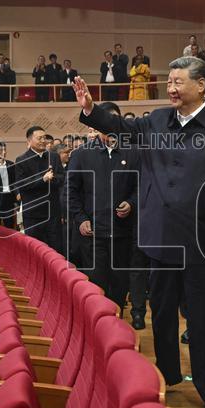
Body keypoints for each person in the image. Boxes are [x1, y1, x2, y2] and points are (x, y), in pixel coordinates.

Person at [73, 56, 205, 408]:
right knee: (163, 316)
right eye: (168, 82)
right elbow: (121, 126)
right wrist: (91, 109)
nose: (170, 88)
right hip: (161, 238)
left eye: (178, 82)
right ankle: (168, 374)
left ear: (200, 85)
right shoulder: (155, 120)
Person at [66, 102, 138, 312]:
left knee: (119, 288)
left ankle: (117, 335)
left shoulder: (132, 153)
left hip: (122, 235)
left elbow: (142, 186)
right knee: (95, 289)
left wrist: (132, 203)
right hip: (92, 236)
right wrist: (80, 218)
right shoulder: (81, 154)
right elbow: (70, 191)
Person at [14, 126, 65, 253]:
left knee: (55, 249)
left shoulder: (53, 157)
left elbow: (61, 178)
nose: (43, 140)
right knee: (35, 250)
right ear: (29, 140)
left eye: (45, 138)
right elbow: (22, 184)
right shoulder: (21, 160)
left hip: (52, 212)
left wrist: (51, 179)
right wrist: (42, 179)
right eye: (39, 138)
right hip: (33, 214)